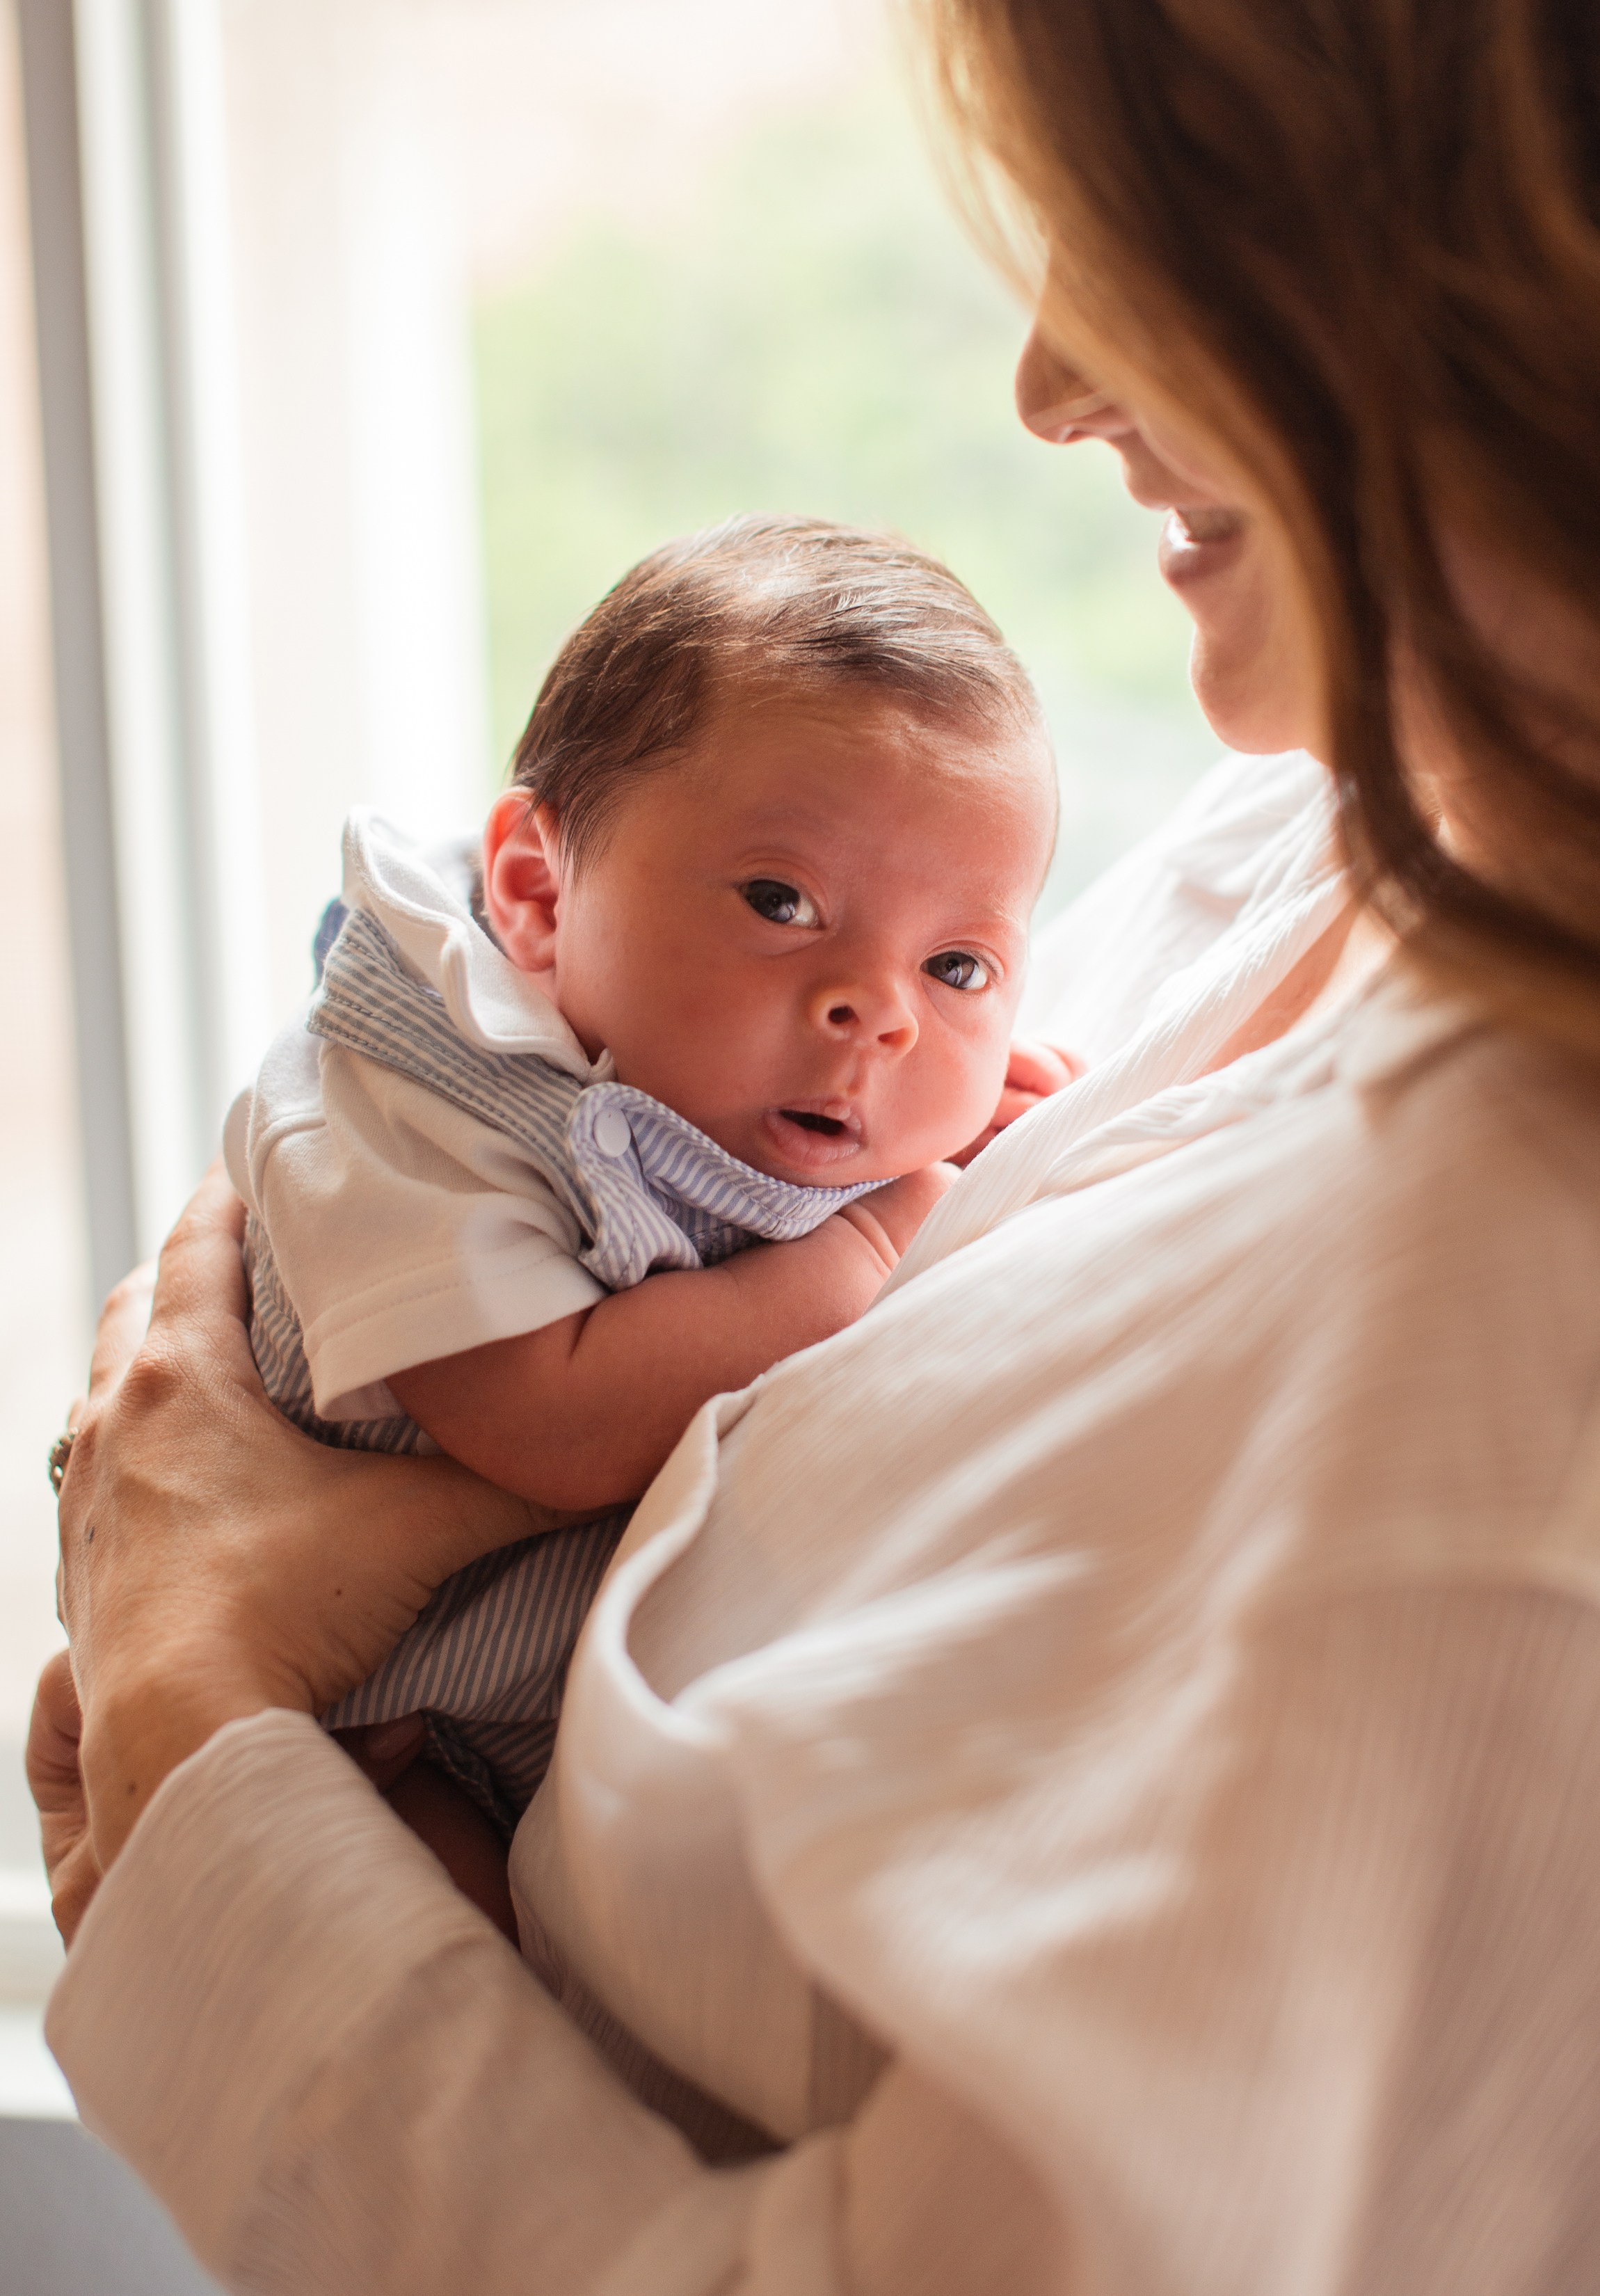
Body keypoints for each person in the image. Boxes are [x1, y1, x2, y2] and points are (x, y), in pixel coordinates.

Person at [30, 0, 1600, 2288]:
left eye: (1180, 213)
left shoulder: (1518, 1414)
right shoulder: (1300, 845)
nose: (1049, 380)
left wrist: (197, 1725)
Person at [230, 515, 1071, 1854]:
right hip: (382, 1731)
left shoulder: (770, 1080)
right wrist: (888, 1226)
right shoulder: (423, 1088)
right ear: (538, 893)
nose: (878, 1012)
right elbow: (553, 1422)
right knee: (424, 1949)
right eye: (782, 902)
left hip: (574, 1721)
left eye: (957, 969)